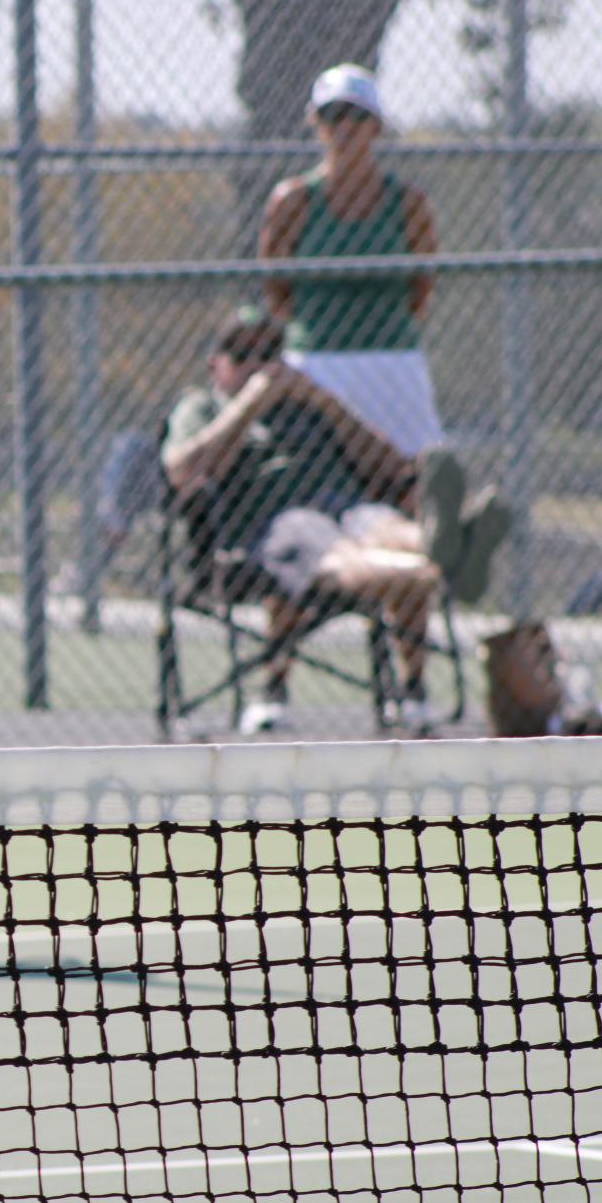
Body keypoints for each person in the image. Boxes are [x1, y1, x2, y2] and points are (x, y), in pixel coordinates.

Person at [161, 308, 508, 734]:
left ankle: (440, 547)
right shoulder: (202, 405)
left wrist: (322, 401)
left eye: (269, 352)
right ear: (217, 365)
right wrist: (249, 404)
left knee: (390, 527)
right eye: (242, 353)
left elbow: (391, 466)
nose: (258, 364)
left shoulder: (309, 402)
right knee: (343, 552)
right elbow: (181, 469)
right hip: (275, 522)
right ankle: (450, 567)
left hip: (346, 506)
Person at [258, 64, 446, 462]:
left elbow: (421, 288)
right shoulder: (292, 201)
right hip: (316, 365)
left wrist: (376, 328)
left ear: (376, 126)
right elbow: (276, 292)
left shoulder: (408, 203)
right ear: (314, 123)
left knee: (414, 475)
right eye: (332, 116)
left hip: (392, 361)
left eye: (357, 116)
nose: (344, 128)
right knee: (314, 476)